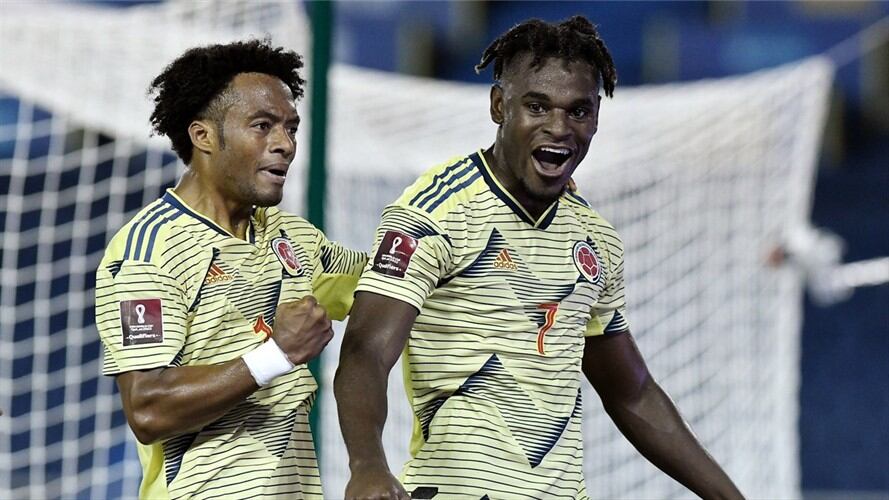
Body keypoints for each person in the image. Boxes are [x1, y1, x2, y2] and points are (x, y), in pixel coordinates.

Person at [334, 17, 743, 500]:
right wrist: (367, 466)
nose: (559, 128)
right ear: (498, 105)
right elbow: (365, 351)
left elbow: (631, 392)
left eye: (579, 111)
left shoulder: (595, 239)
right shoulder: (436, 212)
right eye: (536, 106)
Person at [95, 40, 366, 499]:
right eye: (262, 126)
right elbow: (147, 408)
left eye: (290, 128)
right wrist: (275, 355)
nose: (285, 144)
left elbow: (388, 287)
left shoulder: (294, 238)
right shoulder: (148, 251)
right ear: (204, 136)